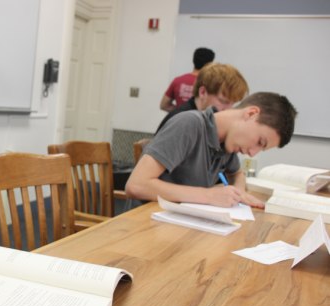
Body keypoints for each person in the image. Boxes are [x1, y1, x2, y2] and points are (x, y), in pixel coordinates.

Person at [125, 92, 297, 210]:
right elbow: (136, 185)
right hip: (145, 226)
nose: (253, 153)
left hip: (179, 226)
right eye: (260, 142)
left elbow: (238, 174)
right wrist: (208, 196)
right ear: (251, 114)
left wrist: (239, 193)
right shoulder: (189, 124)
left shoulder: (227, 144)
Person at [156, 62, 249, 134]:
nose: (229, 109)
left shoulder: (206, 120)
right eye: (223, 101)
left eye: (233, 103)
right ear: (203, 92)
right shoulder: (181, 123)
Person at [160, 47, 215, 112]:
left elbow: (164, 105)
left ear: (193, 60)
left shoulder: (178, 80)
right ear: (210, 64)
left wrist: (182, 111)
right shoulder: (211, 84)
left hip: (180, 120)